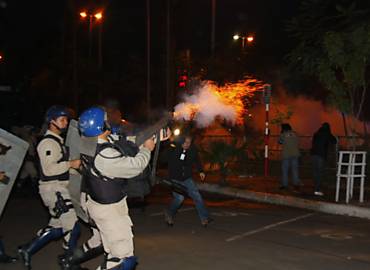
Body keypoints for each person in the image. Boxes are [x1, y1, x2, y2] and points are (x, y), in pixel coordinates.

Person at [78, 106, 164, 270]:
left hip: (100, 206)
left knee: (114, 254)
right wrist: (147, 149)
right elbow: (135, 166)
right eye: (105, 120)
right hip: (110, 211)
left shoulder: (89, 144)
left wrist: (142, 138)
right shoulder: (105, 156)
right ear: (100, 126)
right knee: (124, 260)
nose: (108, 121)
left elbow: (119, 141)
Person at [18, 105, 82, 270]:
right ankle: (69, 262)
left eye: (66, 119)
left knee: (58, 227)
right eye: (62, 119)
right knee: (73, 226)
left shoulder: (57, 141)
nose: (65, 122)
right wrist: (71, 164)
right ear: (51, 121)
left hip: (58, 188)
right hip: (54, 189)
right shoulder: (48, 143)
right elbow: (49, 169)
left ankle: (27, 250)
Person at [163, 134, 212, 227]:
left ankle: (205, 218)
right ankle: (169, 213)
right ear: (181, 141)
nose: (187, 144)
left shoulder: (192, 149)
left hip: (187, 178)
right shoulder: (174, 149)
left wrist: (201, 171)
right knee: (179, 198)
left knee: (197, 196)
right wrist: (170, 145)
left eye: (189, 142)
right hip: (175, 178)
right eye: (185, 142)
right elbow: (164, 158)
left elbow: (196, 160)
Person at [311, 122, 337, 196]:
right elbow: (334, 141)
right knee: (320, 172)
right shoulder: (327, 134)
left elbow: (313, 142)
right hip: (321, 155)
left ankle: (316, 187)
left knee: (315, 172)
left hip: (313, 154)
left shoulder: (316, 133)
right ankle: (317, 189)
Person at [278, 123, 301, 190]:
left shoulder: (283, 134)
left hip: (286, 155)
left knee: (285, 170)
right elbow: (298, 142)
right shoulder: (295, 134)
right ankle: (296, 184)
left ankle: (285, 185)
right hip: (295, 154)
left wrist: (281, 135)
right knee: (295, 170)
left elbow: (279, 142)